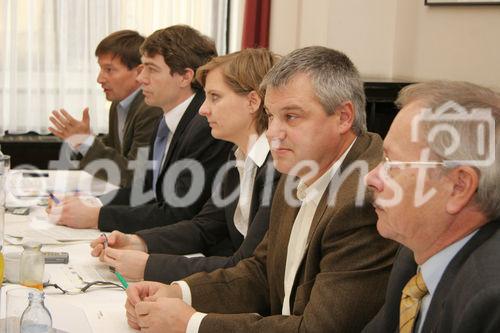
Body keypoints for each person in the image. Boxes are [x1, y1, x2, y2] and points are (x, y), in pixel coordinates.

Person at [124, 46, 399, 333]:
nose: (272, 132)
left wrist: (191, 323)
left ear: (343, 117)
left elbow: (317, 329)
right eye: (271, 116)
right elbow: (261, 272)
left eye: (291, 117)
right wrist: (180, 292)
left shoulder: (363, 198)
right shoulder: (299, 169)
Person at [89, 48, 281, 283]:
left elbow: (245, 265)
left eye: (215, 97)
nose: (203, 109)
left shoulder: (279, 169)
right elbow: (205, 226)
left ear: (252, 101)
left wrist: (150, 266)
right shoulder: (237, 156)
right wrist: (137, 242)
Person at [48, 25, 233, 232]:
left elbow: (178, 213)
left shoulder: (204, 126)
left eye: (151, 69)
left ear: (185, 77)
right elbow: (145, 191)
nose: (141, 78)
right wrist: (92, 203)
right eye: (142, 67)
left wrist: (97, 216)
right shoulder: (165, 120)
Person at [363, 81, 500, 333]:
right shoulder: (413, 255)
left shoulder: (490, 301)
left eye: (392, 164)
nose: (371, 177)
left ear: (459, 187)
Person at [48, 30, 163, 187]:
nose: (100, 79)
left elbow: (135, 175)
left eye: (109, 70)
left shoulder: (151, 109)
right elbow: (115, 150)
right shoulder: (118, 104)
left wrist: (86, 142)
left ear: (139, 72)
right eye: (101, 69)